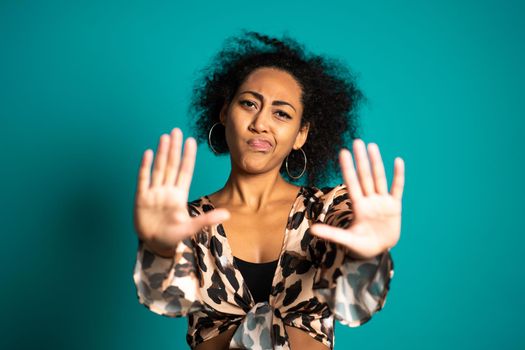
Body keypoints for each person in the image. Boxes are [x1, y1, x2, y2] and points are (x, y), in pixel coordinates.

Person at [132, 31, 405, 350]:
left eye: (281, 113)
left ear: (301, 134)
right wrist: (161, 249)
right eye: (249, 103)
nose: (260, 123)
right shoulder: (187, 222)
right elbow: (167, 301)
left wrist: (364, 255)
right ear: (224, 112)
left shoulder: (328, 209)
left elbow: (354, 306)